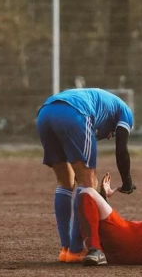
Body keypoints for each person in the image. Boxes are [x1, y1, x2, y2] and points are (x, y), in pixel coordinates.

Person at [36, 88, 136, 263]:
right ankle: (76, 249)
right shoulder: (125, 113)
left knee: (64, 181)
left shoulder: (102, 103)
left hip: (45, 113)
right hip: (76, 113)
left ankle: (65, 249)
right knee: (88, 184)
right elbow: (121, 149)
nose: (110, 137)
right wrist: (127, 181)